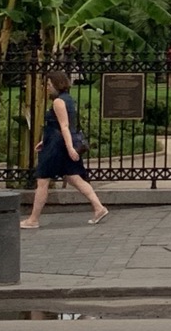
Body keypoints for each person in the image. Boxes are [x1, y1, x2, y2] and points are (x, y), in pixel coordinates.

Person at [20, 69, 108, 229]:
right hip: (56, 142)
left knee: (42, 180)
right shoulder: (68, 100)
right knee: (74, 177)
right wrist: (44, 141)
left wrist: (69, 148)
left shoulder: (58, 102)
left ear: (56, 84)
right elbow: (61, 125)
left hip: (56, 146)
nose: (46, 87)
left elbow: (64, 126)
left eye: (48, 84)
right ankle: (98, 207)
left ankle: (33, 219)